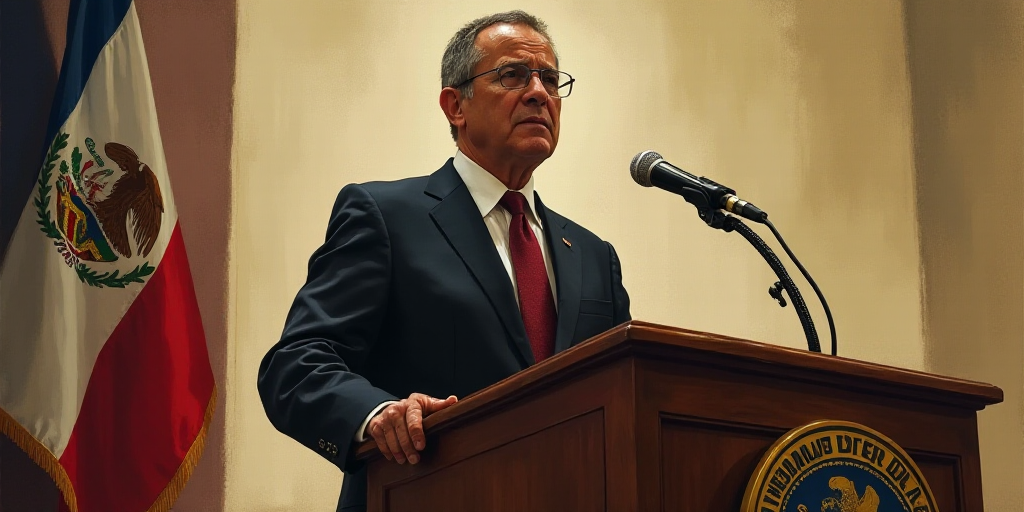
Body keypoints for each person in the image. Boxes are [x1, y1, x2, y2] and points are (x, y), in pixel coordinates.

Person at [258, 10, 631, 512]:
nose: (538, 93)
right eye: (513, 75)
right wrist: (378, 413)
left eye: (549, 79)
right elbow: (296, 366)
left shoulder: (593, 256)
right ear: (455, 105)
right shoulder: (386, 217)